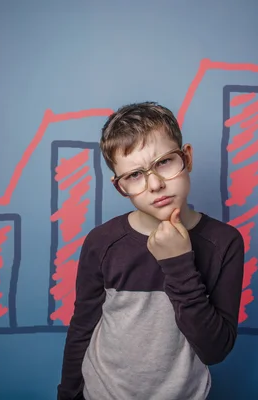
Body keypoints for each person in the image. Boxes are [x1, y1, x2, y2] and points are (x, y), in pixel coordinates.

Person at [57, 102, 245, 400]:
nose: (155, 184)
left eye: (164, 162)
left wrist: (179, 264)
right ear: (120, 187)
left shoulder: (224, 242)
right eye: (134, 175)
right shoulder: (101, 242)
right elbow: (82, 327)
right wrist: (67, 395)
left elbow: (215, 349)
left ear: (187, 157)